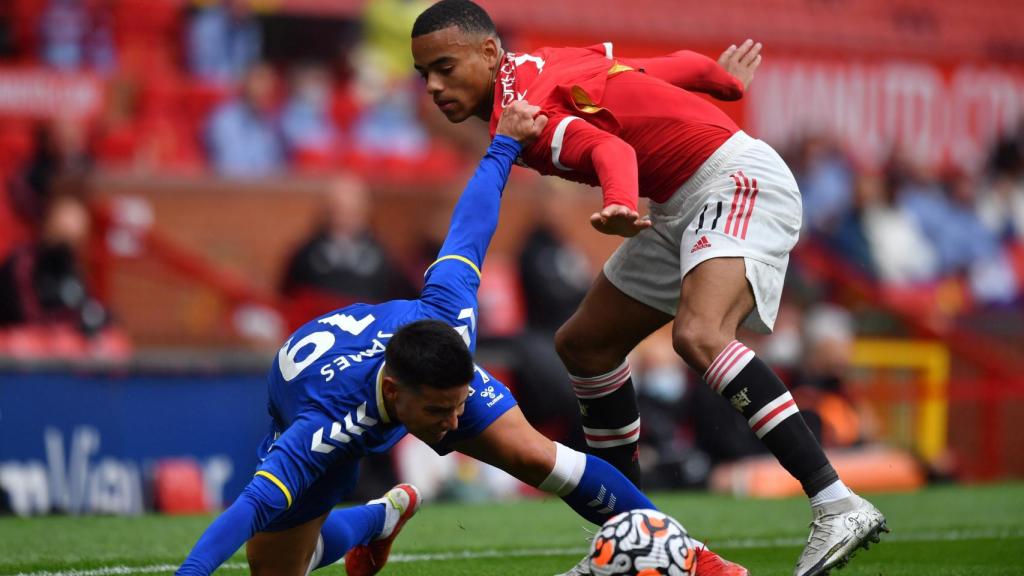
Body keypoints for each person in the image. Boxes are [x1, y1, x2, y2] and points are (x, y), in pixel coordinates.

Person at [410, 2, 887, 575]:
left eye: (444, 67)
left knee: (698, 335)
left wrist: (616, 199)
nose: (434, 87)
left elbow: (614, 151)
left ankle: (836, 502)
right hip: (681, 198)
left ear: (489, 53)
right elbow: (657, 69)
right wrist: (721, 80)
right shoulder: (544, 63)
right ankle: (630, 535)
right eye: (424, 75)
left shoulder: (526, 116)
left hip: (734, 180)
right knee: (584, 344)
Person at [176, 101, 745, 576]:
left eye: (457, 405)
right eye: (440, 412)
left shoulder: (449, 312)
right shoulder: (319, 431)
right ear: (397, 396)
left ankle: (691, 555)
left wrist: (504, 145)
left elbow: (470, 226)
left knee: (536, 455)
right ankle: (378, 519)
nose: (453, 424)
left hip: (400, 354)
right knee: (277, 570)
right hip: (315, 393)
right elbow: (245, 509)